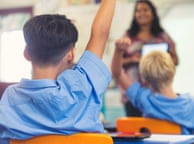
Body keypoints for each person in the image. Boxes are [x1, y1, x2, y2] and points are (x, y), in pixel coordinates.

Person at [0, 0, 116, 143]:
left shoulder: (10, 98)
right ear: (71, 54)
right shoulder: (83, 85)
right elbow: (100, 34)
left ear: (26, 53)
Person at [111, 37, 194, 135]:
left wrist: (118, 50)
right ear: (173, 71)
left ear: (145, 78)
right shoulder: (191, 105)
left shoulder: (145, 100)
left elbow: (118, 74)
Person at [119, 0, 179, 116]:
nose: (141, 13)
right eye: (138, 11)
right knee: (135, 130)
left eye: (145, 10)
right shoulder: (128, 35)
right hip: (133, 92)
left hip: (158, 92)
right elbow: (116, 62)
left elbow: (175, 60)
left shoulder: (162, 36)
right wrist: (133, 60)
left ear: (152, 13)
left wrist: (161, 59)